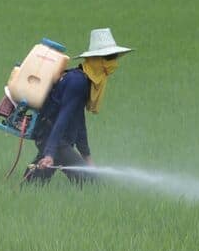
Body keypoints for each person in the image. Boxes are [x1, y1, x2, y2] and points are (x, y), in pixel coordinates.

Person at [24, 28, 133, 185]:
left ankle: (18, 191)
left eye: (114, 57)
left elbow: (78, 120)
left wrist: (86, 156)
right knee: (88, 182)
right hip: (53, 137)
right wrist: (50, 153)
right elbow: (63, 118)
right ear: (95, 59)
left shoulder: (85, 81)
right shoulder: (78, 82)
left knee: (34, 183)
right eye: (108, 58)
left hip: (54, 139)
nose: (113, 63)